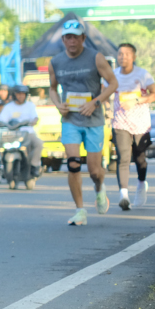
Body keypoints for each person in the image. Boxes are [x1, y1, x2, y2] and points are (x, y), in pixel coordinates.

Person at [48, 19, 118, 225]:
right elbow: (52, 88)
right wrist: (58, 105)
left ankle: (99, 187)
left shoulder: (96, 58)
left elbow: (113, 83)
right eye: (68, 37)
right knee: (73, 163)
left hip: (93, 120)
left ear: (83, 38)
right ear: (63, 40)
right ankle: (80, 210)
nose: (72, 41)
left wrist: (96, 103)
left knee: (94, 171)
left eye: (76, 37)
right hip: (70, 119)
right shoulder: (56, 62)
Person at [110, 42, 155, 210]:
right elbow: (104, 93)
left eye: (126, 54)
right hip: (120, 122)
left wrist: (137, 100)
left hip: (140, 123)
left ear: (134, 57)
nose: (122, 57)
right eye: (120, 54)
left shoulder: (142, 74)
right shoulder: (113, 75)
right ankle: (123, 195)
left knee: (140, 159)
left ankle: (141, 184)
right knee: (123, 158)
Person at [0, 84, 43, 182]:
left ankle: (34, 166)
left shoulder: (30, 106)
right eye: (19, 94)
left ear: (26, 95)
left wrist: (33, 122)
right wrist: (0, 123)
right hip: (12, 135)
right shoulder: (9, 107)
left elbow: (35, 117)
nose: (21, 96)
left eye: (23, 94)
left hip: (27, 133)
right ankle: (2, 166)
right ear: (14, 94)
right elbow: (2, 119)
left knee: (39, 143)